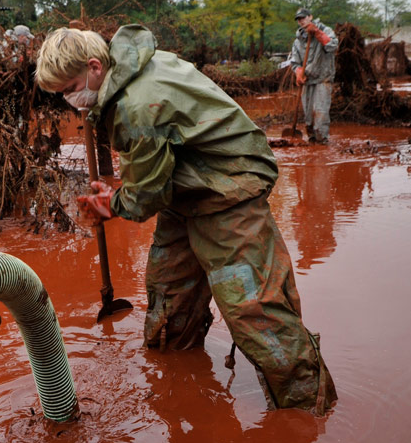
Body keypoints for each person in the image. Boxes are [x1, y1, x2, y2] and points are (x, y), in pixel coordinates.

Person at [35, 25, 337, 415]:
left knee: (255, 312)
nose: (68, 100)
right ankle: (178, 383)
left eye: (69, 88)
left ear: (95, 67)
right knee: (170, 296)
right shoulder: (128, 70)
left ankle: (310, 413)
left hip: (229, 191)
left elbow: (146, 196)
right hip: (187, 186)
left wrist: (111, 205)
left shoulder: (137, 105)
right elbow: (153, 175)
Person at [290, 8, 338, 143]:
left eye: (303, 18)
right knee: (309, 116)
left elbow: (333, 46)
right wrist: (298, 72)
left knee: (320, 112)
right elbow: (294, 62)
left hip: (323, 78)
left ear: (310, 17)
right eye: (299, 19)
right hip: (307, 80)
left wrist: (317, 33)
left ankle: (322, 142)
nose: (301, 21)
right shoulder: (298, 41)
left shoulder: (325, 30)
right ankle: (312, 141)